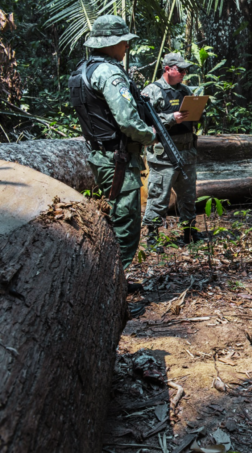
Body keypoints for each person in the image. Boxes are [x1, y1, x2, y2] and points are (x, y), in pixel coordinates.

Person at [68, 15, 156, 291]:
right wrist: (149, 135)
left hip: (101, 155)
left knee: (117, 216)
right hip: (117, 158)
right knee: (125, 223)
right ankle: (113, 289)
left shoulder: (82, 70)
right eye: (123, 42)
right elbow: (128, 121)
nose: (126, 47)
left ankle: (114, 282)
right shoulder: (109, 73)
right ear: (113, 43)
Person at [141, 53, 203, 245]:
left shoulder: (186, 91)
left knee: (188, 195)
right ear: (167, 69)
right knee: (159, 195)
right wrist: (170, 118)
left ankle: (189, 230)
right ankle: (152, 235)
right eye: (181, 70)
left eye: (186, 70)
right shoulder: (151, 91)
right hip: (164, 154)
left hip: (187, 152)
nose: (185, 73)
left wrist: (199, 111)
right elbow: (142, 122)